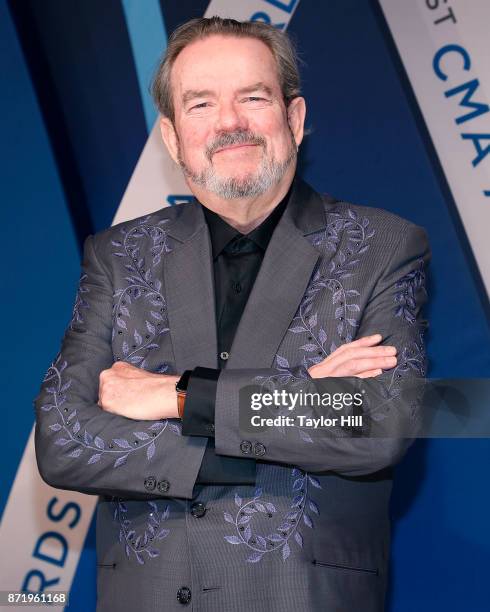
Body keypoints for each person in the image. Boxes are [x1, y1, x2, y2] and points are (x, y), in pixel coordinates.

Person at [34, 16, 430, 612]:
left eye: (252, 97)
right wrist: (303, 399)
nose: (229, 122)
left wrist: (177, 398)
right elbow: (63, 441)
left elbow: (380, 421)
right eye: (200, 104)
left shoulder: (382, 246)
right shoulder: (116, 256)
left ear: (293, 119)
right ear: (171, 137)